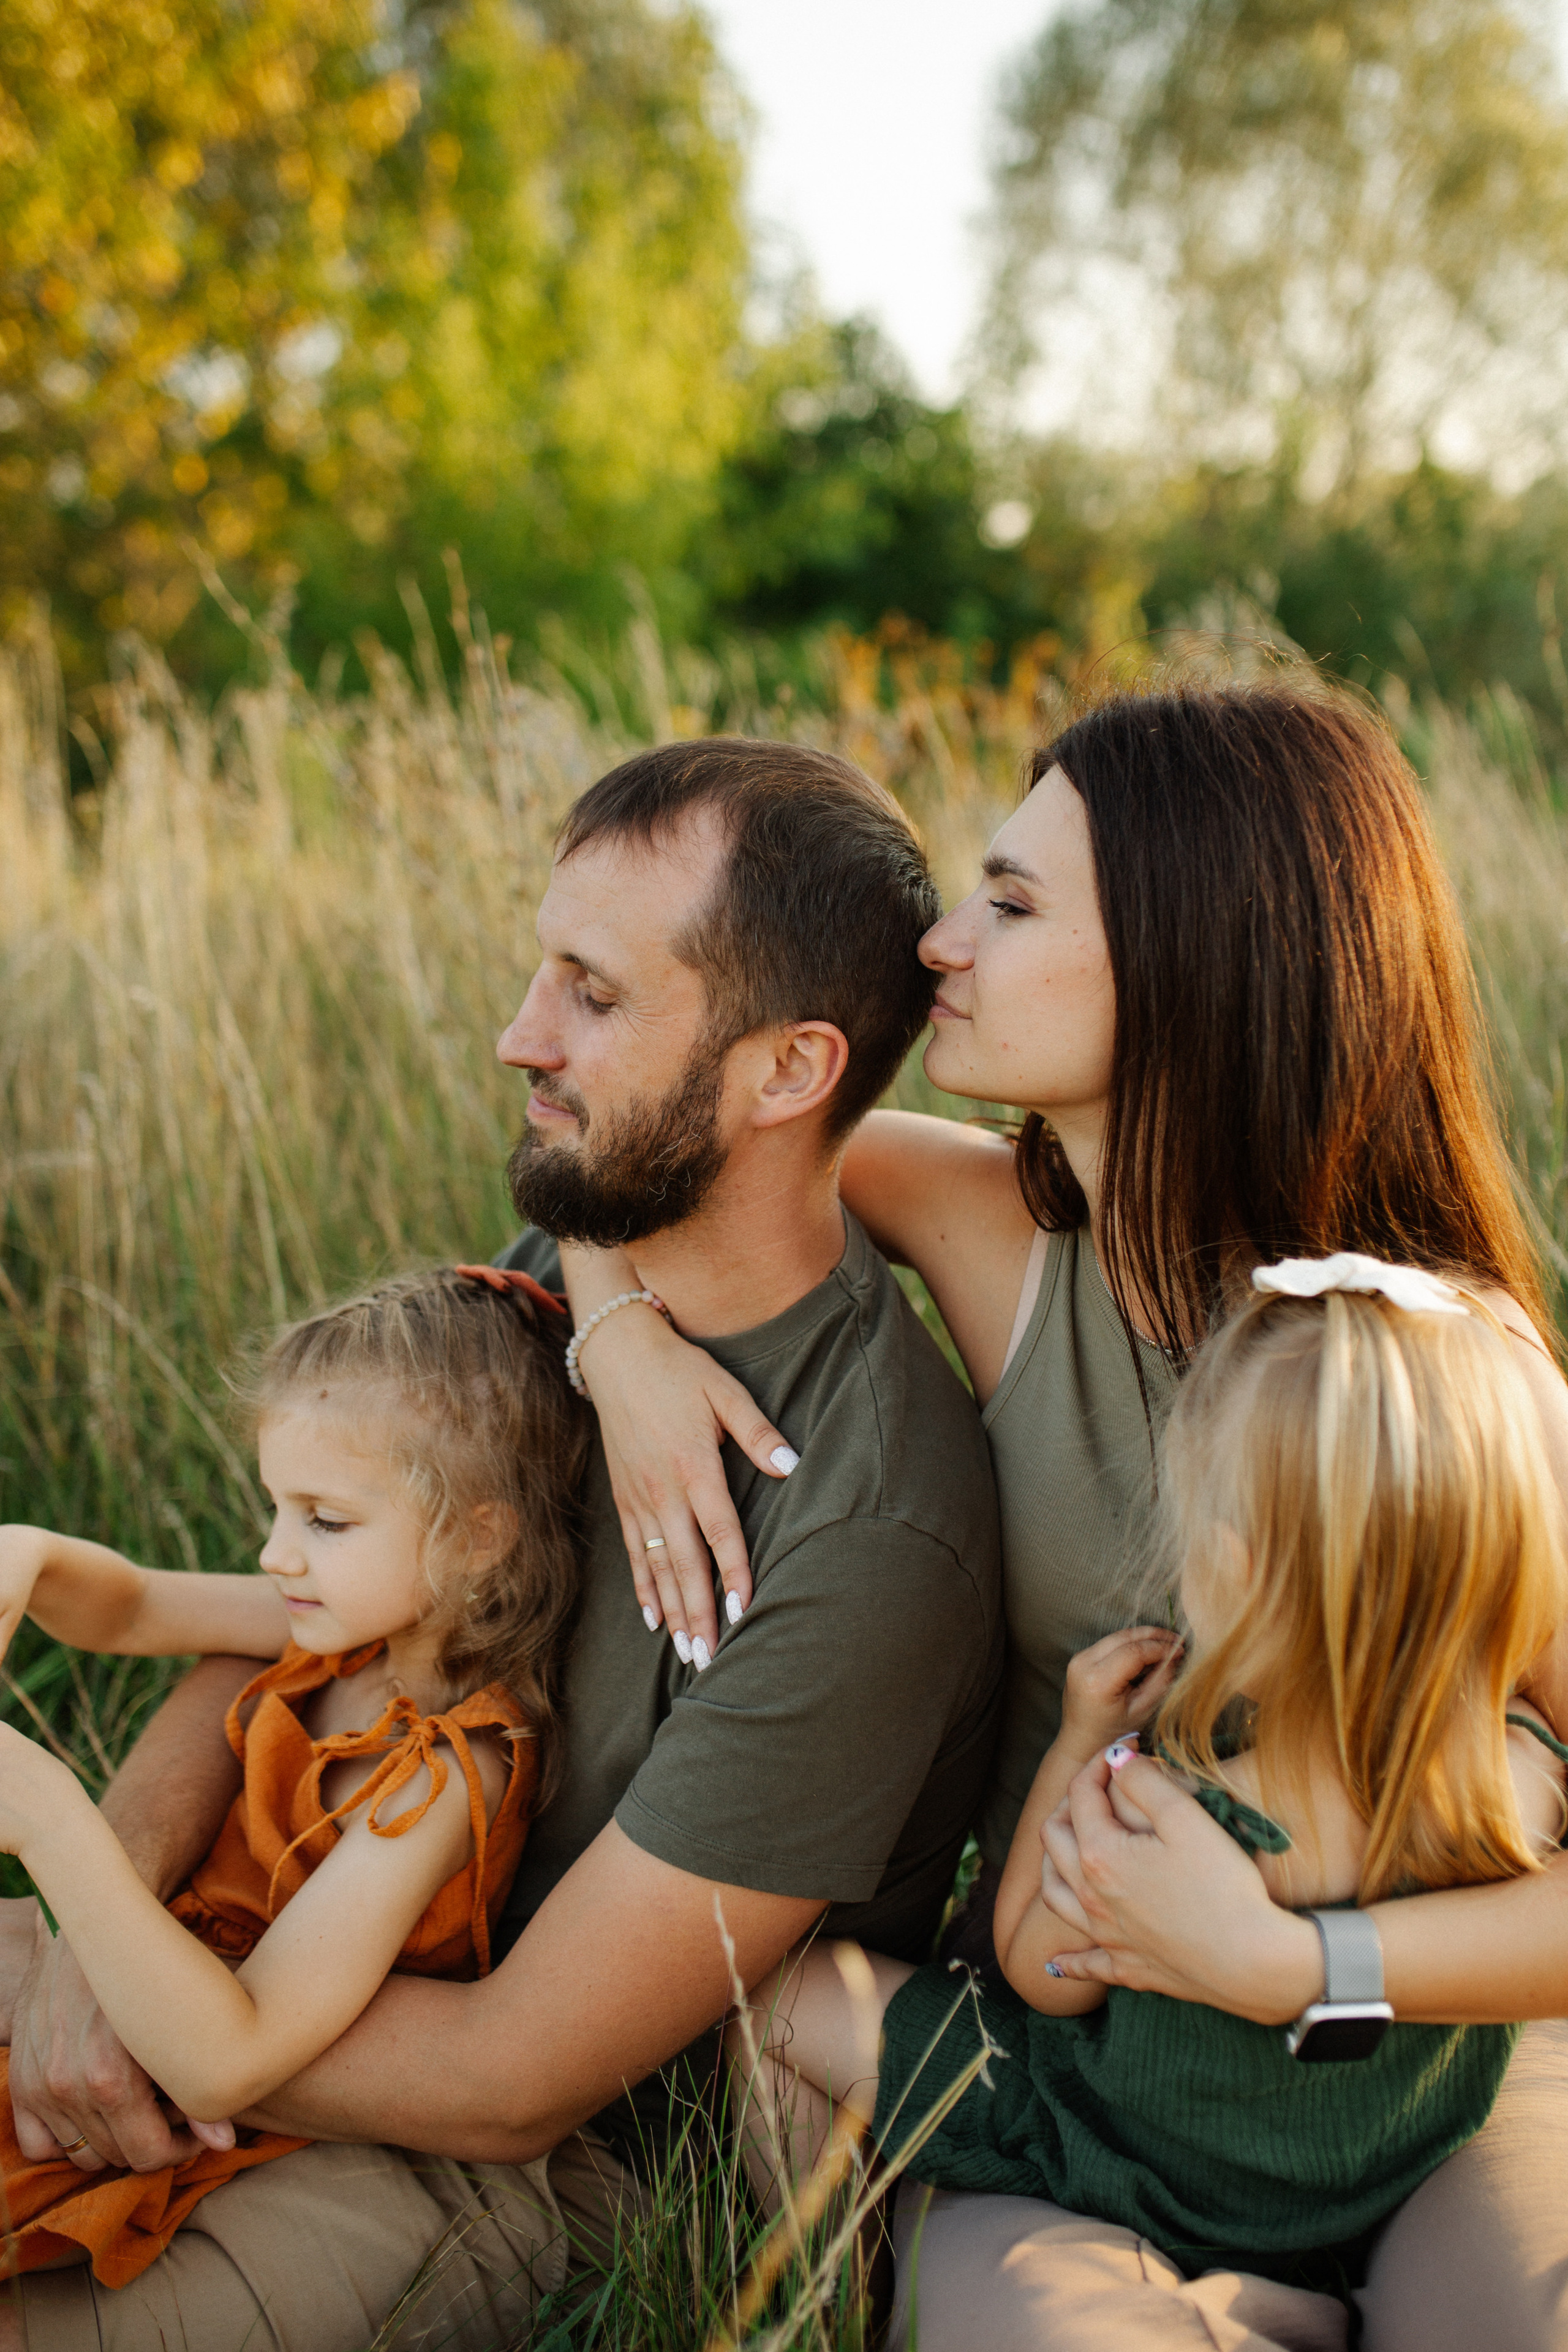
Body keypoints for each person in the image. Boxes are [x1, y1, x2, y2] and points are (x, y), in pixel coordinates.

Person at [557, 680, 1568, 2351]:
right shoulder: (978, 1226)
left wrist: (1294, 1968)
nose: (941, 944)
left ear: (1196, 961)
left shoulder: (1448, 1380)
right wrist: (621, 1349)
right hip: (1075, 2056)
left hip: (1426, 2075)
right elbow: (639, 1139)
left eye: (1012, 905)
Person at [0, 738, 1003, 2352]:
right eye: (544, 972)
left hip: (521, 2148)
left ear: (786, 1072)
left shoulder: (868, 1526)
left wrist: (153, 1998)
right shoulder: (571, 1259)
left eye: (593, 996)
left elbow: (515, 2077)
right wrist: (103, 1918)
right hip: (267, 1958)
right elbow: (312, 1613)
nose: (517, 1035)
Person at [729, 1258, 1568, 2347]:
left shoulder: (1172, 1811)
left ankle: (841, 2296)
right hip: (1379, 2174)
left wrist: (1082, 1744)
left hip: (1127, 2164)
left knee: (780, 2003)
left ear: (1232, 1569)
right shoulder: (1515, 1781)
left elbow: (1038, 1971)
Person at [0, 1263, 582, 2287]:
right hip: (146, 1971)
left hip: (200, 2071)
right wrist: (30, 1553)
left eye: (324, 1519)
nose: (275, 1554)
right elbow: (132, 1610)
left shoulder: (452, 1775)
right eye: (276, 1506)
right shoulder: (354, 1631)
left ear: (477, 1538)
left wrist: (50, 1819)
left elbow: (231, 2056)